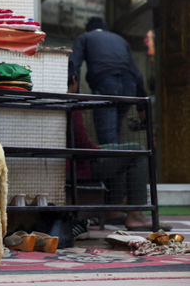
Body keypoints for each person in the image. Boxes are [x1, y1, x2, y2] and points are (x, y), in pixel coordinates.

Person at [67, 72, 170, 232]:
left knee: (117, 152)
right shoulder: (71, 102)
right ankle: (135, 216)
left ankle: (111, 210)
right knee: (136, 152)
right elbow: (82, 143)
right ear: (74, 81)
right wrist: (99, 150)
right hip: (78, 164)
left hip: (68, 162)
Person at [69, 17, 146, 145]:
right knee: (115, 130)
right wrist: (142, 107)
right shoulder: (121, 40)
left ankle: (113, 162)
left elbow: (74, 65)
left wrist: (74, 96)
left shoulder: (85, 37)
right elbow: (137, 74)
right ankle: (118, 162)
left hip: (106, 86)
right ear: (106, 29)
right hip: (129, 88)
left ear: (87, 29)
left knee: (108, 138)